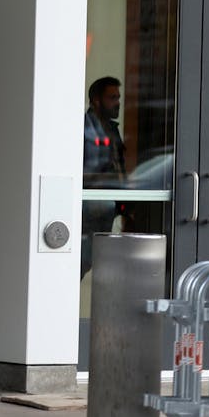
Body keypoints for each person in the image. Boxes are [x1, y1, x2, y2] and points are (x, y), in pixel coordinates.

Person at [81, 76, 126, 277]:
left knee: (98, 260)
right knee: (84, 261)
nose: (117, 102)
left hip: (109, 204)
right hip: (92, 203)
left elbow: (118, 166)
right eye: (112, 97)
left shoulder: (111, 129)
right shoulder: (85, 128)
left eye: (118, 97)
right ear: (96, 100)